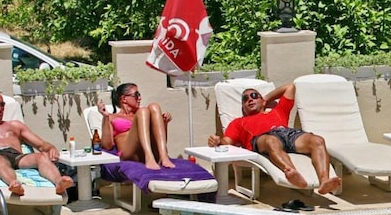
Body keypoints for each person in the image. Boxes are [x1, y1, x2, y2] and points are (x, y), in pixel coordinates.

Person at [207, 82, 342, 195]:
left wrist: (266, 98)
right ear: (243, 106)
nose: (250, 100)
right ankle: (292, 173)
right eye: (245, 99)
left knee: (317, 140)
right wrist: (217, 141)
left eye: (254, 96)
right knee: (271, 140)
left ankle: (324, 181)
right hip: (261, 139)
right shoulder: (238, 122)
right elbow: (227, 142)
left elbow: (290, 87)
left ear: (262, 101)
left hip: (287, 134)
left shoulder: (279, 110)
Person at [0, 86, 74, 197]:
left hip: (17, 157)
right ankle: (14, 184)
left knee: (41, 156)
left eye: (2, 105)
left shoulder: (15, 126)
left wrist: (50, 148)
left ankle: (59, 182)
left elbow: (42, 145)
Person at [98, 82, 175, 170]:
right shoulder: (112, 117)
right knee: (143, 111)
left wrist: (164, 123)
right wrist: (105, 117)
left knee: (154, 106)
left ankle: (164, 156)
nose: (140, 98)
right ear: (124, 99)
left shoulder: (144, 116)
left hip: (152, 151)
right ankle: (149, 157)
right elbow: (107, 146)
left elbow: (158, 139)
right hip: (129, 154)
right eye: (136, 95)